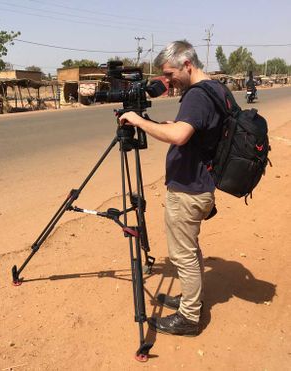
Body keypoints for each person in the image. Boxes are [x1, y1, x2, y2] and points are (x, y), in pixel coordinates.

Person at [119, 40, 225, 336]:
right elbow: (194, 130)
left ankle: (189, 318)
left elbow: (180, 136)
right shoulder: (214, 89)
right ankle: (192, 300)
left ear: (187, 65)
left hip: (189, 189)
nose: (167, 82)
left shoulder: (196, 96)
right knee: (189, 250)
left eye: (169, 74)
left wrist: (138, 121)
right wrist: (162, 123)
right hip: (201, 183)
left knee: (183, 255)